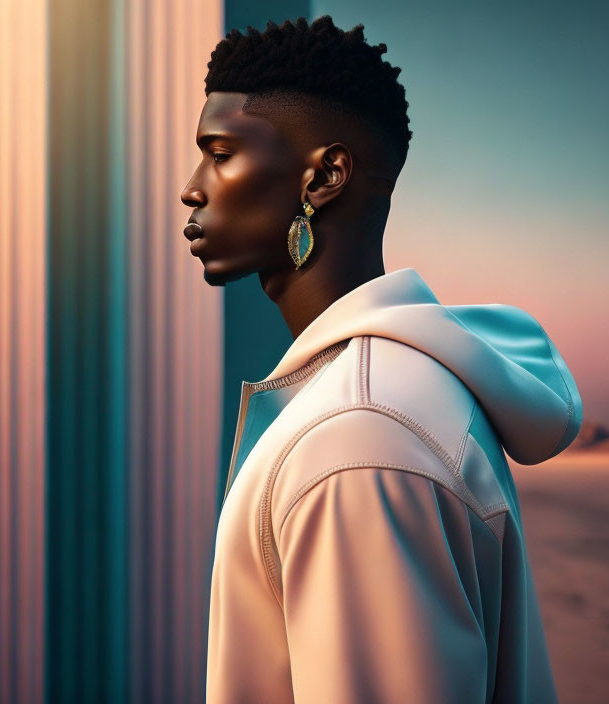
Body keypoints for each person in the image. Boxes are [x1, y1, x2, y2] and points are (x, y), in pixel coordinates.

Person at [180, 16, 582, 704]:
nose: (193, 188)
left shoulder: (357, 440)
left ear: (325, 176)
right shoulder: (380, 398)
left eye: (220, 154)